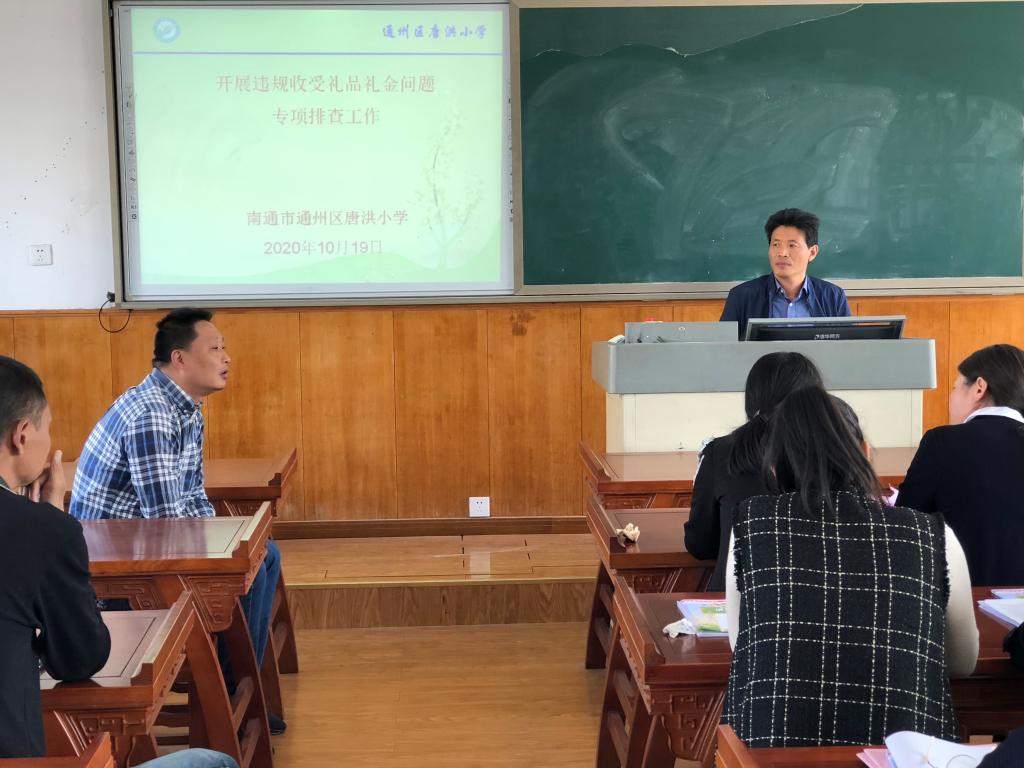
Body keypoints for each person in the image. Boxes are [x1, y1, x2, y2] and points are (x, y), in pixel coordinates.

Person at [0, 356, 239, 768]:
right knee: (212, 763)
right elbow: (80, 658)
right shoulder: (42, 532)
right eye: (47, 427)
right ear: (21, 435)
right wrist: (51, 520)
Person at [68, 308, 285, 734]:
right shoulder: (152, 414)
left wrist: (232, 542)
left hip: (147, 549)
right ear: (180, 358)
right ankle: (226, 696)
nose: (226, 357)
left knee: (264, 555)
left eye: (224, 348)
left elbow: (192, 498)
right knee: (253, 564)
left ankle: (235, 690)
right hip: (118, 575)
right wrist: (226, 554)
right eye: (215, 348)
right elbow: (166, 523)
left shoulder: (185, 408)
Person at [723, 386, 978, 747]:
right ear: (865, 452)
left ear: (775, 467)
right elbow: (963, 661)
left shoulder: (752, 524)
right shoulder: (931, 533)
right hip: (902, 753)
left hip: (772, 749)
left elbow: (743, 645)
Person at [684, 351, 823, 590]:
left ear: (752, 398)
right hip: (816, 599)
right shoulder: (833, 453)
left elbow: (700, 544)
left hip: (735, 601)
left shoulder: (720, 452)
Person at [896, 344, 1024, 586]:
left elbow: (906, 525)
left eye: (955, 387)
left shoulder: (941, 442)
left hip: (965, 597)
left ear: (979, 388)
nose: (951, 397)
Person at [720, 208, 851, 339]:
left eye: (792, 245)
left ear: (812, 252)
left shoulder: (833, 297)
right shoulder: (741, 296)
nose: (782, 253)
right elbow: (724, 347)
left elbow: (848, 347)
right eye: (776, 244)